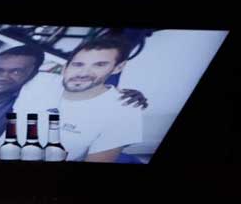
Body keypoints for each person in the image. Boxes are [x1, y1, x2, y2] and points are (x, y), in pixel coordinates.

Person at [12, 37, 147, 162]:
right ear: (66, 67)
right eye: (78, 64)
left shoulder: (125, 108)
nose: (83, 73)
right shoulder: (38, 81)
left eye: (99, 65)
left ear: (118, 67)